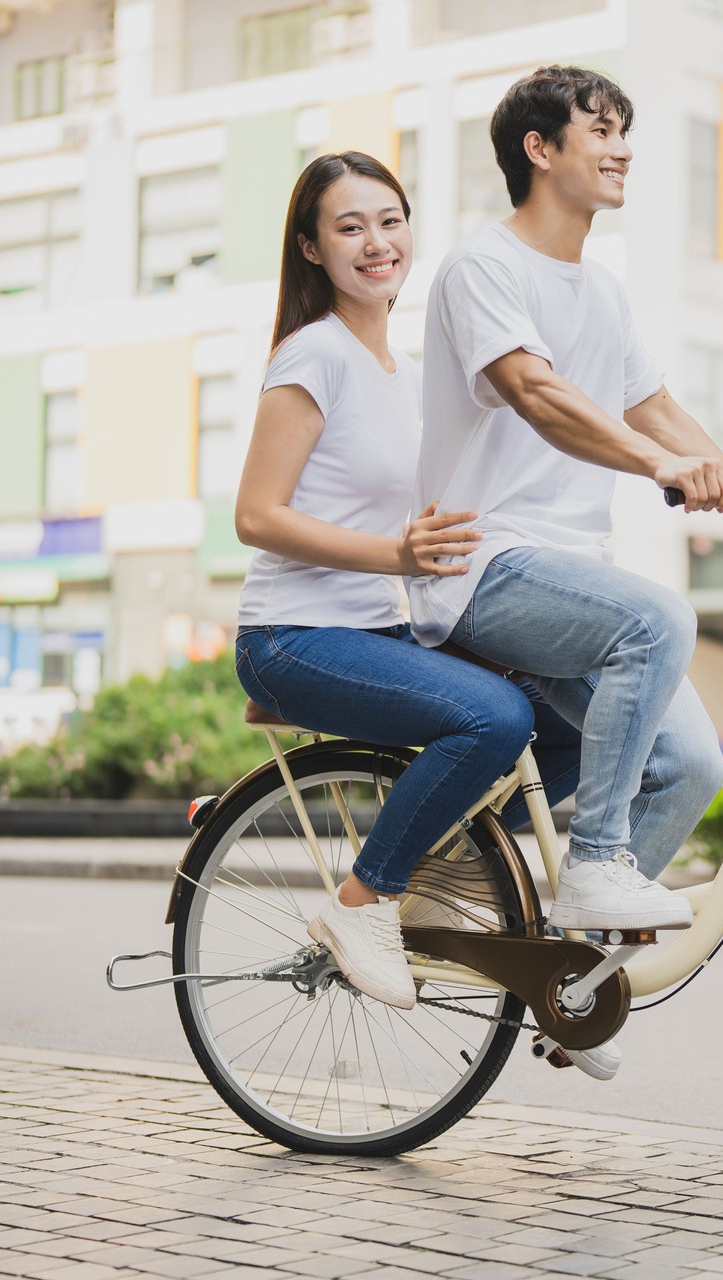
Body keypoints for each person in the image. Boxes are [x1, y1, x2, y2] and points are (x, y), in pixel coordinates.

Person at [411, 67, 723, 940]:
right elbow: (539, 396)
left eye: (625, 132)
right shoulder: (484, 266)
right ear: (538, 149)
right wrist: (664, 464)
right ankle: (593, 869)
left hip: (569, 574)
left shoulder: (602, 292)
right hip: (482, 563)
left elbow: (656, 412)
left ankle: (568, 976)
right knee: (659, 620)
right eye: (601, 131)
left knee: (693, 768)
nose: (623, 149)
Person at [232, 150, 578, 1014]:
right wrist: (397, 556)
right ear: (312, 249)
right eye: (349, 227)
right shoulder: (314, 357)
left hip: (380, 631)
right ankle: (363, 902)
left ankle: (439, 881)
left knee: (567, 720)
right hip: (294, 636)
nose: (376, 242)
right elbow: (257, 517)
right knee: (494, 717)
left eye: (390, 220)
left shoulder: (404, 371)